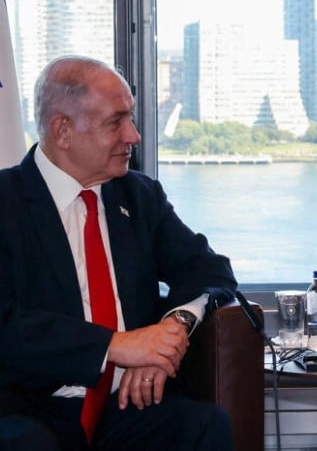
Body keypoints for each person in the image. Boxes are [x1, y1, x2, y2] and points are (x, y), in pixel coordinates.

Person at [0, 56, 238, 450]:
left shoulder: (139, 196)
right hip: (30, 406)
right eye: (116, 122)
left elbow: (210, 270)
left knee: (204, 426)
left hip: (128, 401)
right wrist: (117, 346)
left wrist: (167, 336)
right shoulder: (7, 203)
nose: (134, 135)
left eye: (131, 118)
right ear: (63, 131)